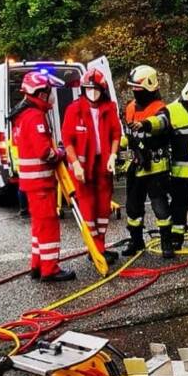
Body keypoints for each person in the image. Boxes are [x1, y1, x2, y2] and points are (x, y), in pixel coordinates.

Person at [11, 71, 75, 282]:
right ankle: (50, 269)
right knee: (48, 225)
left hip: (31, 182)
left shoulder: (22, 115)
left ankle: (37, 265)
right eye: (48, 92)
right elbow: (44, 152)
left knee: (39, 226)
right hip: (40, 182)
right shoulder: (34, 116)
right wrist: (60, 153)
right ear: (40, 93)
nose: (50, 96)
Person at [146, 75, 188, 251]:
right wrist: (147, 127)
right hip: (180, 174)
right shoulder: (172, 110)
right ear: (185, 96)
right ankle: (176, 239)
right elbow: (159, 124)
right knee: (178, 207)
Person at [61, 65, 122, 258]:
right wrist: (75, 164)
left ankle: (100, 245)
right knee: (88, 208)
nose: (93, 93)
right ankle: (95, 249)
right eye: (89, 89)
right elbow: (67, 140)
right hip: (83, 169)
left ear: (102, 90)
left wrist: (113, 155)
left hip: (103, 165)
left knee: (103, 207)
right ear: (83, 89)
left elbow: (116, 134)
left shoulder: (109, 109)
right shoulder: (74, 110)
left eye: (96, 89)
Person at [121, 65, 174, 258]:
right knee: (132, 207)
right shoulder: (129, 107)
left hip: (156, 167)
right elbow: (129, 136)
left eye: (139, 89)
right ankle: (136, 241)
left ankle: (166, 242)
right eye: (133, 88)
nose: (136, 92)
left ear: (150, 87)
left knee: (160, 206)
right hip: (136, 165)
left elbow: (162, 122)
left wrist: (145, 124)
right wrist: (117, 146)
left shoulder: (160, 108)